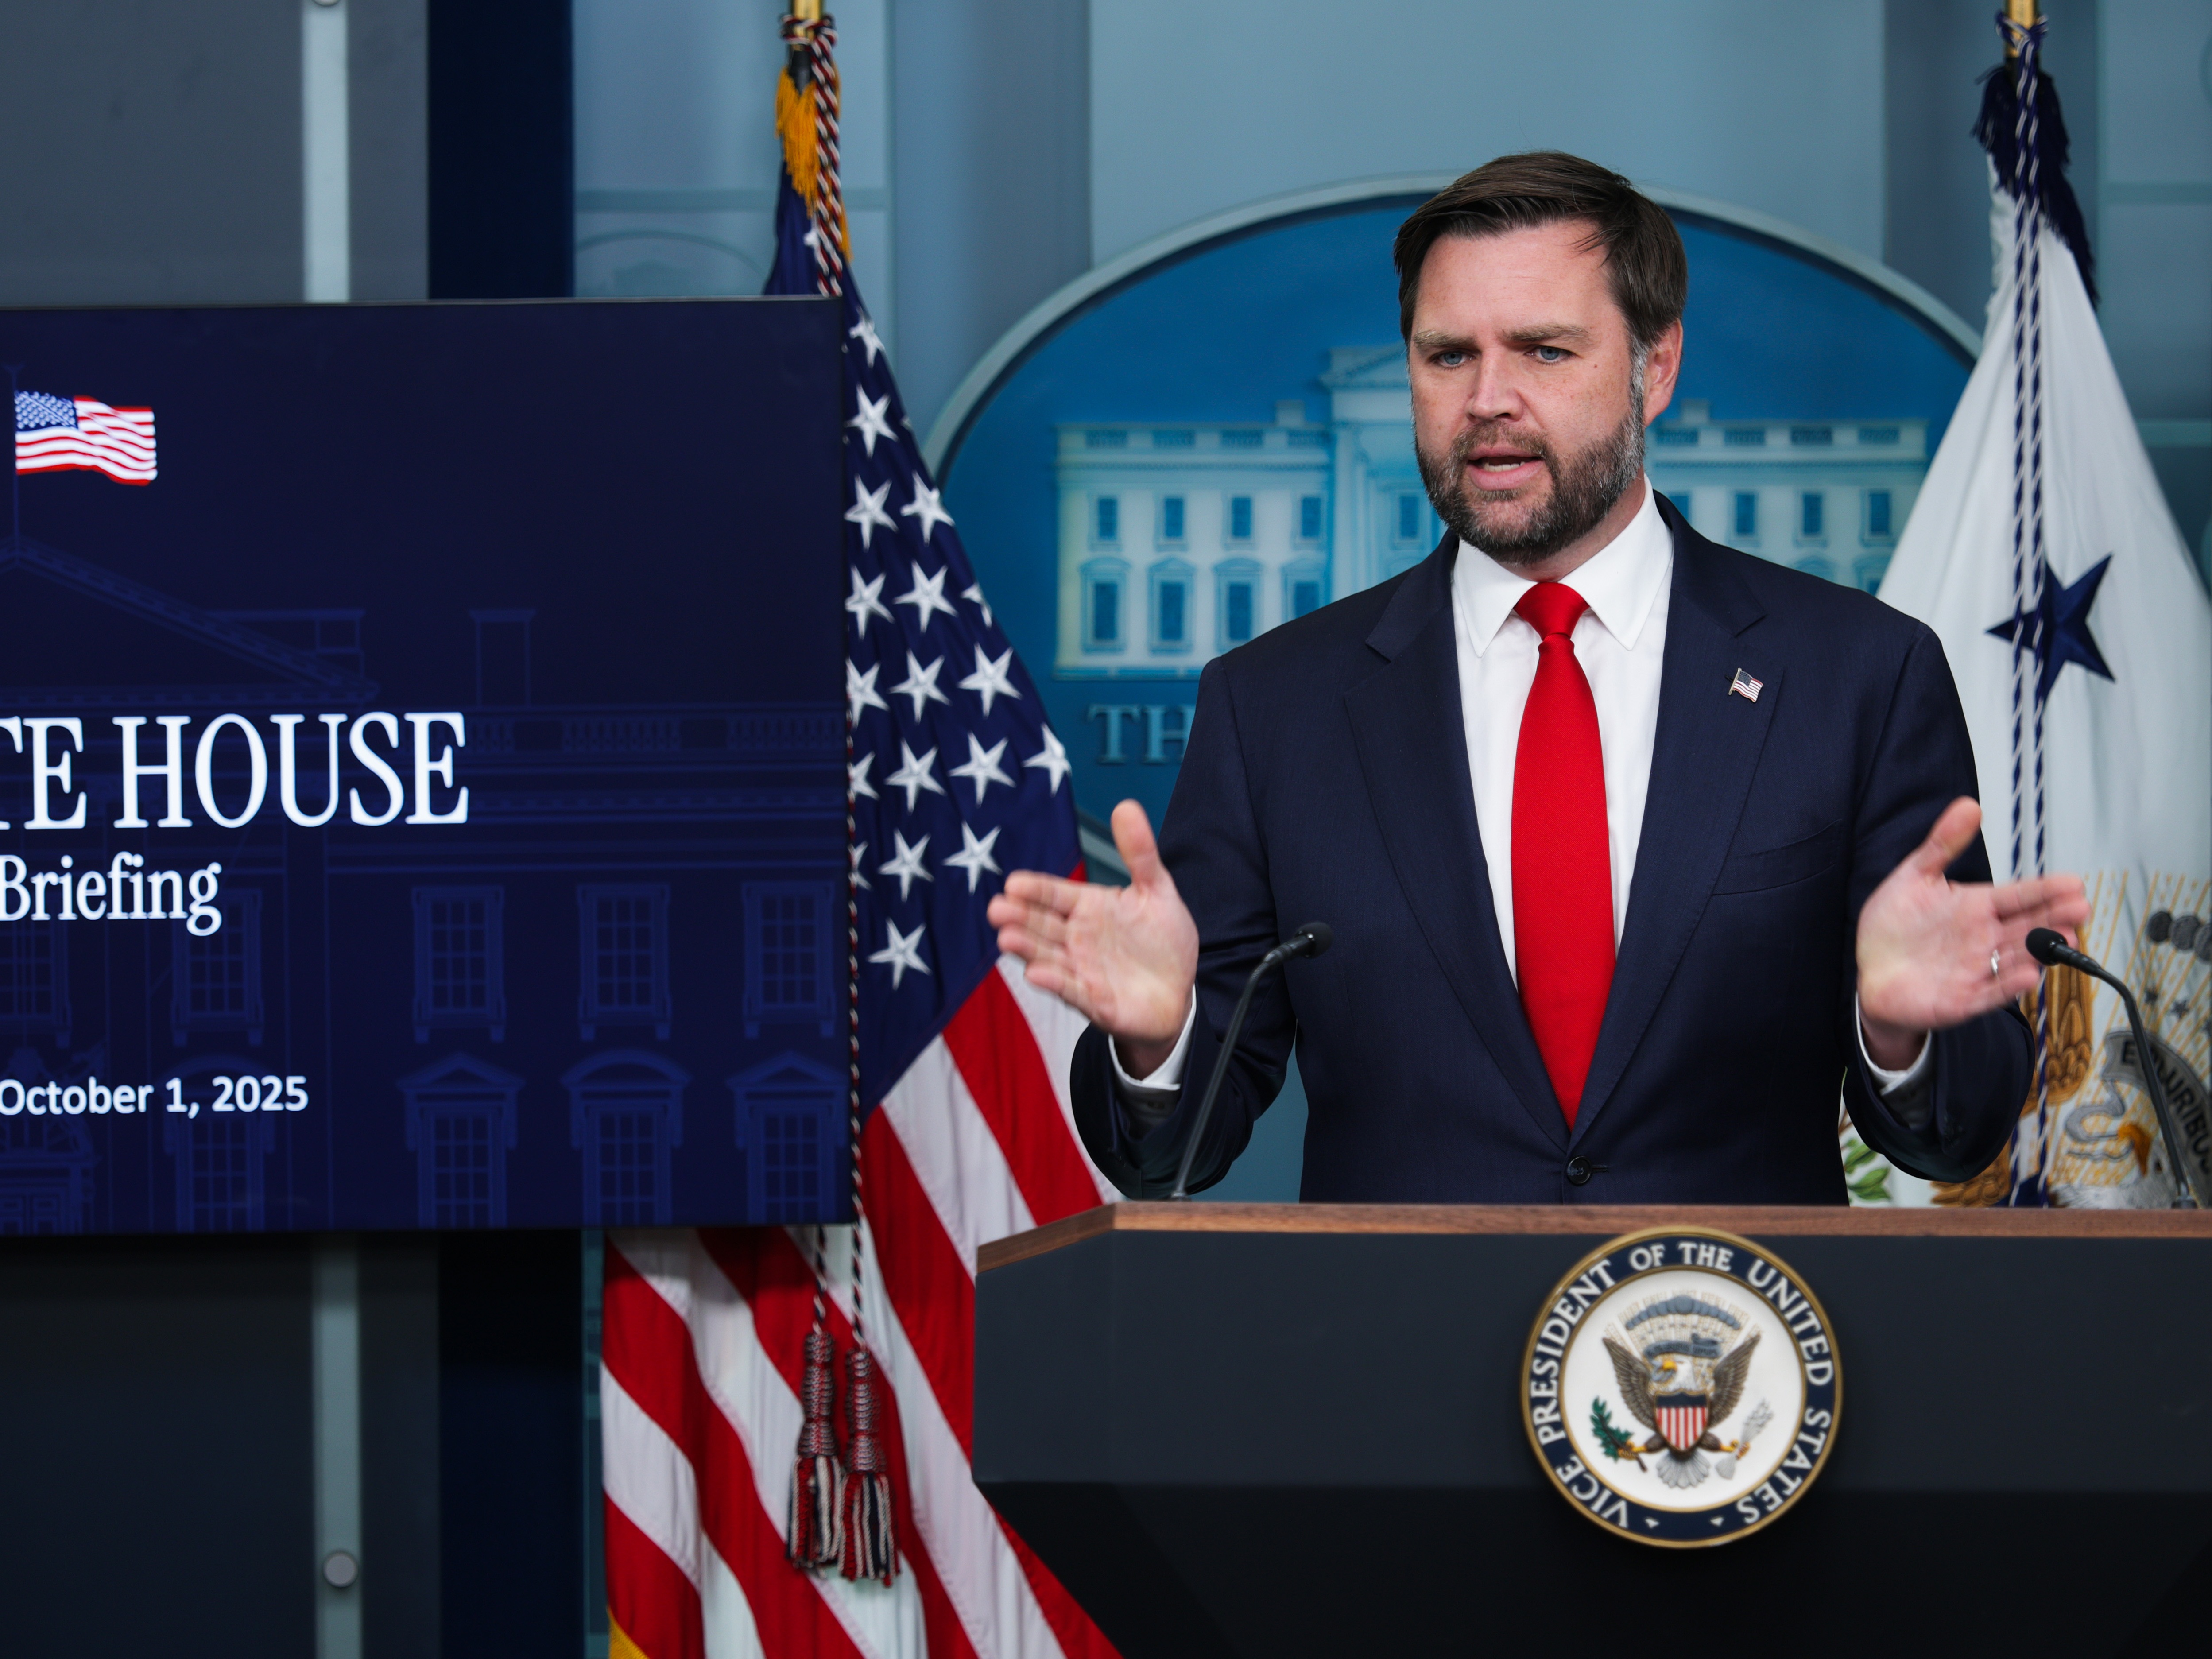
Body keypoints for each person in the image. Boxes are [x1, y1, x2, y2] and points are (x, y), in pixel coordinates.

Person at [987, 152, 2088, 1203]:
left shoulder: (1857, 675)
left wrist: (1899, 1034)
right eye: (1446, 354)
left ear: (1655, 368)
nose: (1486, 399)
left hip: (1735, 1371)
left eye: (1544, 351)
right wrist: (1154, 1039)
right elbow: (1171, 1154)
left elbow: (1953, 1136)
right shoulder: (1273, 706)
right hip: (1393, 1368)